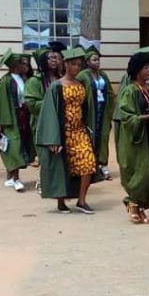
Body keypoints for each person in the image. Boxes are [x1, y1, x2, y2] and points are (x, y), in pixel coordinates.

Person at [36, 47, 96, 213]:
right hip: (63, 133)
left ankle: (81, 200)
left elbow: (86, 108)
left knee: (88, 163)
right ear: (66, 65)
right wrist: (52, 139)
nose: (77, 68)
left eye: (79, 65)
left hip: (79, 131)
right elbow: (49, 113)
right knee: (63, 166)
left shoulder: (82, 84)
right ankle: (61, 202)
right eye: (74, 64)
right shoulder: (56, 86)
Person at [116, 49, 149, 224]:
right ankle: (133, 203)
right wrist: (147, 117)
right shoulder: (130, 90)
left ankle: (142, 205)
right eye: (146, 67)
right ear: (137, 70)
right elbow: (127, 116)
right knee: (141, 172)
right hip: (135, 138)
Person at [0, 49, 29, 191]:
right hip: (10, 118)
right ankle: (16, 179)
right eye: (22, 63)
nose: (25, 65)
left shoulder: (23, 79)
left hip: (22, 116)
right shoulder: (4, 82)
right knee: (14, 147)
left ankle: (11, 177)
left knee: (17, 146)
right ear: (14, 65)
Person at [77, 47, 115, 180]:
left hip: (102, 110)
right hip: (90, 111)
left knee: (103, 137)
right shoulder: (82, 76)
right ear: (87, 62)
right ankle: (90, 166)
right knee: (90, 137)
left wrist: (110, 111)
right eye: (94, 59)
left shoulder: (103, 75)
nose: (97, 62)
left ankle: (103, 165)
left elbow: (110, 93)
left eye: (98, 59)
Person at [25, 48, 61, 167]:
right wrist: (52, 103)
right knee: (46, 156)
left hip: (61, 122)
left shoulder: (61, 79)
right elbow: (32, 104)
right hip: (42, 123)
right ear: (43, 61)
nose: (55, 60)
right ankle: (44, 182)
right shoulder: (35, 81)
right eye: (51, 58)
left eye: (56, 57)